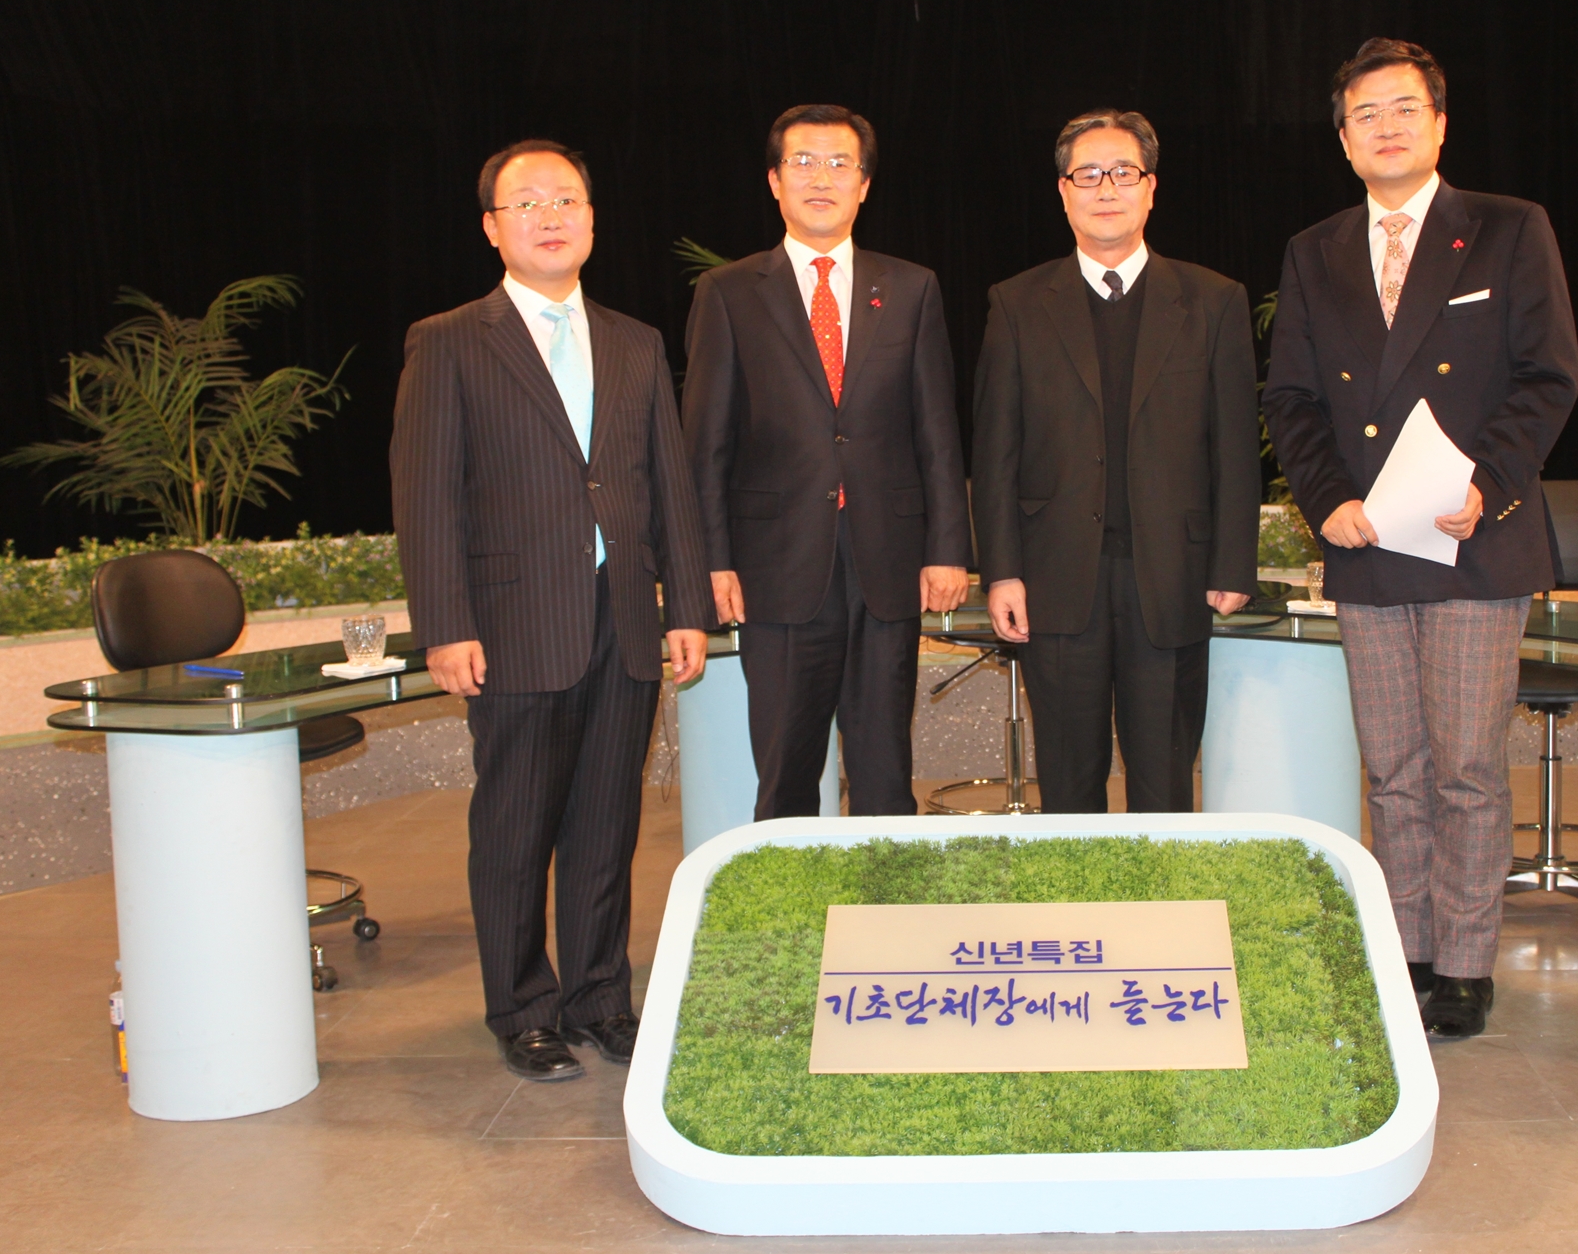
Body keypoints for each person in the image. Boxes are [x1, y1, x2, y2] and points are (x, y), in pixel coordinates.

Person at [1262, 39, 1578, 1038]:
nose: (1386, 127)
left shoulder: (1508, 229)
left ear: (1439, 124)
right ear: (1343, 140)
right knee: (1393, 768)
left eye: (1404, 108)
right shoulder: (1314, 250)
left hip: (1472, 542)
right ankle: (1405, 949)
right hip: (1366, 542)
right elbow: (1291, 398)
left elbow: (1548, 375)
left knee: (1466, 767)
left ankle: (1467, 963)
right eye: (1364, 114)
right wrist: (1324, 500)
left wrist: (1487, 483)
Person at [390, 139, 716, 1081]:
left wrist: (686, 604)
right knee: (515, 828)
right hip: (512, 624)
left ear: (591, 219)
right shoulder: (449, 339)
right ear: (492, 227)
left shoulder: (634, 340)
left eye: (565, 199)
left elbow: (668, 484)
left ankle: (600, 998)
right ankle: (523, 1007)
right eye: (526, 202)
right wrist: (445, 624)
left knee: (606, 826)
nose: (549, 216)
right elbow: (426, 494)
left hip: (624, 622)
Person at [681, 104, 971, 820]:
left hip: (886, 561)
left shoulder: (911, 287)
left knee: (885, 771)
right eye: (803, 162)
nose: (821, 178)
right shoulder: (729, 293)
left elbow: (936, 430)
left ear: (864, 185)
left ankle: (884, 888)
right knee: (785, 772)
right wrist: (710, 561)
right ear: (774, 181)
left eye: (839, 164)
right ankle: (787, 888)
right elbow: (707, 442)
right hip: (775, 564)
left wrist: (947, 548)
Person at [972, 109, 1260, 814]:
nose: (1106, 189)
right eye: (1088, 175)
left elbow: (1233, 445)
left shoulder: (1213, 300)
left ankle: (1160, 890)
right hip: (1054, 577)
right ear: (1063, 192)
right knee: (1068, 784)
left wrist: (1232, 563)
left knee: (1164, 780)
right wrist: (1001, 570)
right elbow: (995, 449)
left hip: (1172, 576)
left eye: (1123, 173)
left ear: (1151, 188)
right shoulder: (1016, 303)